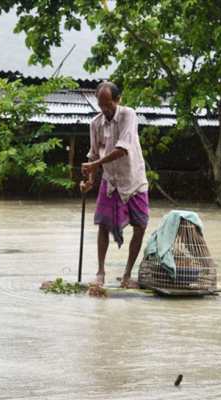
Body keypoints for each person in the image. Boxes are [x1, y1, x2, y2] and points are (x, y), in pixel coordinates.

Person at [80, 81, 149, 288]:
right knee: (102, 225)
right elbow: (93, 153)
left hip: (133, 178)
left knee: (141, 226)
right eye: (101, 106)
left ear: (118, 100)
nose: (105, 110)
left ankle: (127, 275)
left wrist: (94, 165)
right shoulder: (95, 123)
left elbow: (122, 149)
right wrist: (89, 180)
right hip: (111, 181)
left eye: (108, 105)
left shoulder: (128, 115)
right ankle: (100, 272)